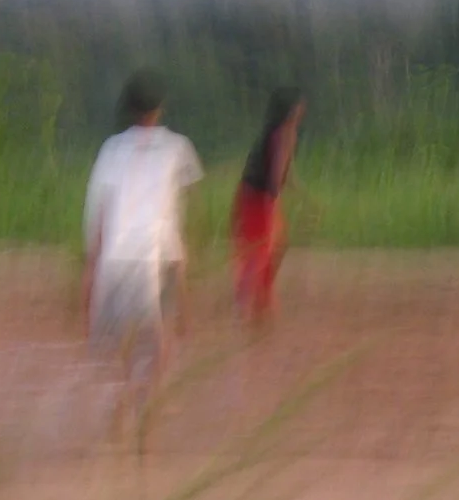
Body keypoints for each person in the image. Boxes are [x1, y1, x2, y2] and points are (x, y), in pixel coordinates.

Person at [83, 70, 203, 427]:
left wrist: (91, 267)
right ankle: (150, 399)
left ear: (129, 108)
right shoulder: (177, 147)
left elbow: (99, 212)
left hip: (115, 256)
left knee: (126, 339)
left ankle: (126, 394)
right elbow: (188, 198)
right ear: (160, 108)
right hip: (159, 252)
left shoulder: (111, 148)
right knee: (162, 334)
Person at [229, 88, 304, 323]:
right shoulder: (285, 133)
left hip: (249, 195)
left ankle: (260, 299)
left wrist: (305, 198)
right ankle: (244, 307)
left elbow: (286, 172)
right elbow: (276, 177)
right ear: (292, 110)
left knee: (271, 249)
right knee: (261, 252)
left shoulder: (275, 132)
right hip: (261, 198)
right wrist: (273, 205)